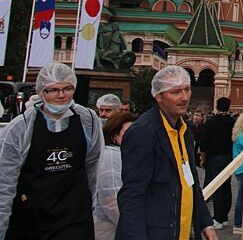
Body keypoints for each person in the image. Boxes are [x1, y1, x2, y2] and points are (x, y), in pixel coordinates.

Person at [0, 62, 104, 239]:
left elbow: (93, 169)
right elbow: (5, 182)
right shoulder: (21, 127)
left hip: (74, 219)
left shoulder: (88, 120)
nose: (61, 95)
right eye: (53, 90)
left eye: (67, 88)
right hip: (31, 221)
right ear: (42, 92)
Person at [116, 65, 216, 240]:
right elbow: (132, 195)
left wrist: (206, 223)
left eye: (187, 89)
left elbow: (191, 182)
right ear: (159, 96)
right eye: (176, 92)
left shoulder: (184, 130)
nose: (184, 97)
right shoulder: (143, 132)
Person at [94, 111, 139, 239]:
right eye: (128, 133)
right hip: (109, 230)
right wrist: (135, 228)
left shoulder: (127, 156)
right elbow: (112, 200)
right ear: (114, 135)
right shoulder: (112, 157)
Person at [199, 97, 235, 229]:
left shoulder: (210, 122)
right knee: (226, 187)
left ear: (217, 106)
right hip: (229, 158)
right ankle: (224, 216)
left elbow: (203, 143)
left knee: (217, 188)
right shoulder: (233, 122)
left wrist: (202, 158)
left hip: (214, 158)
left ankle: (218, 218)